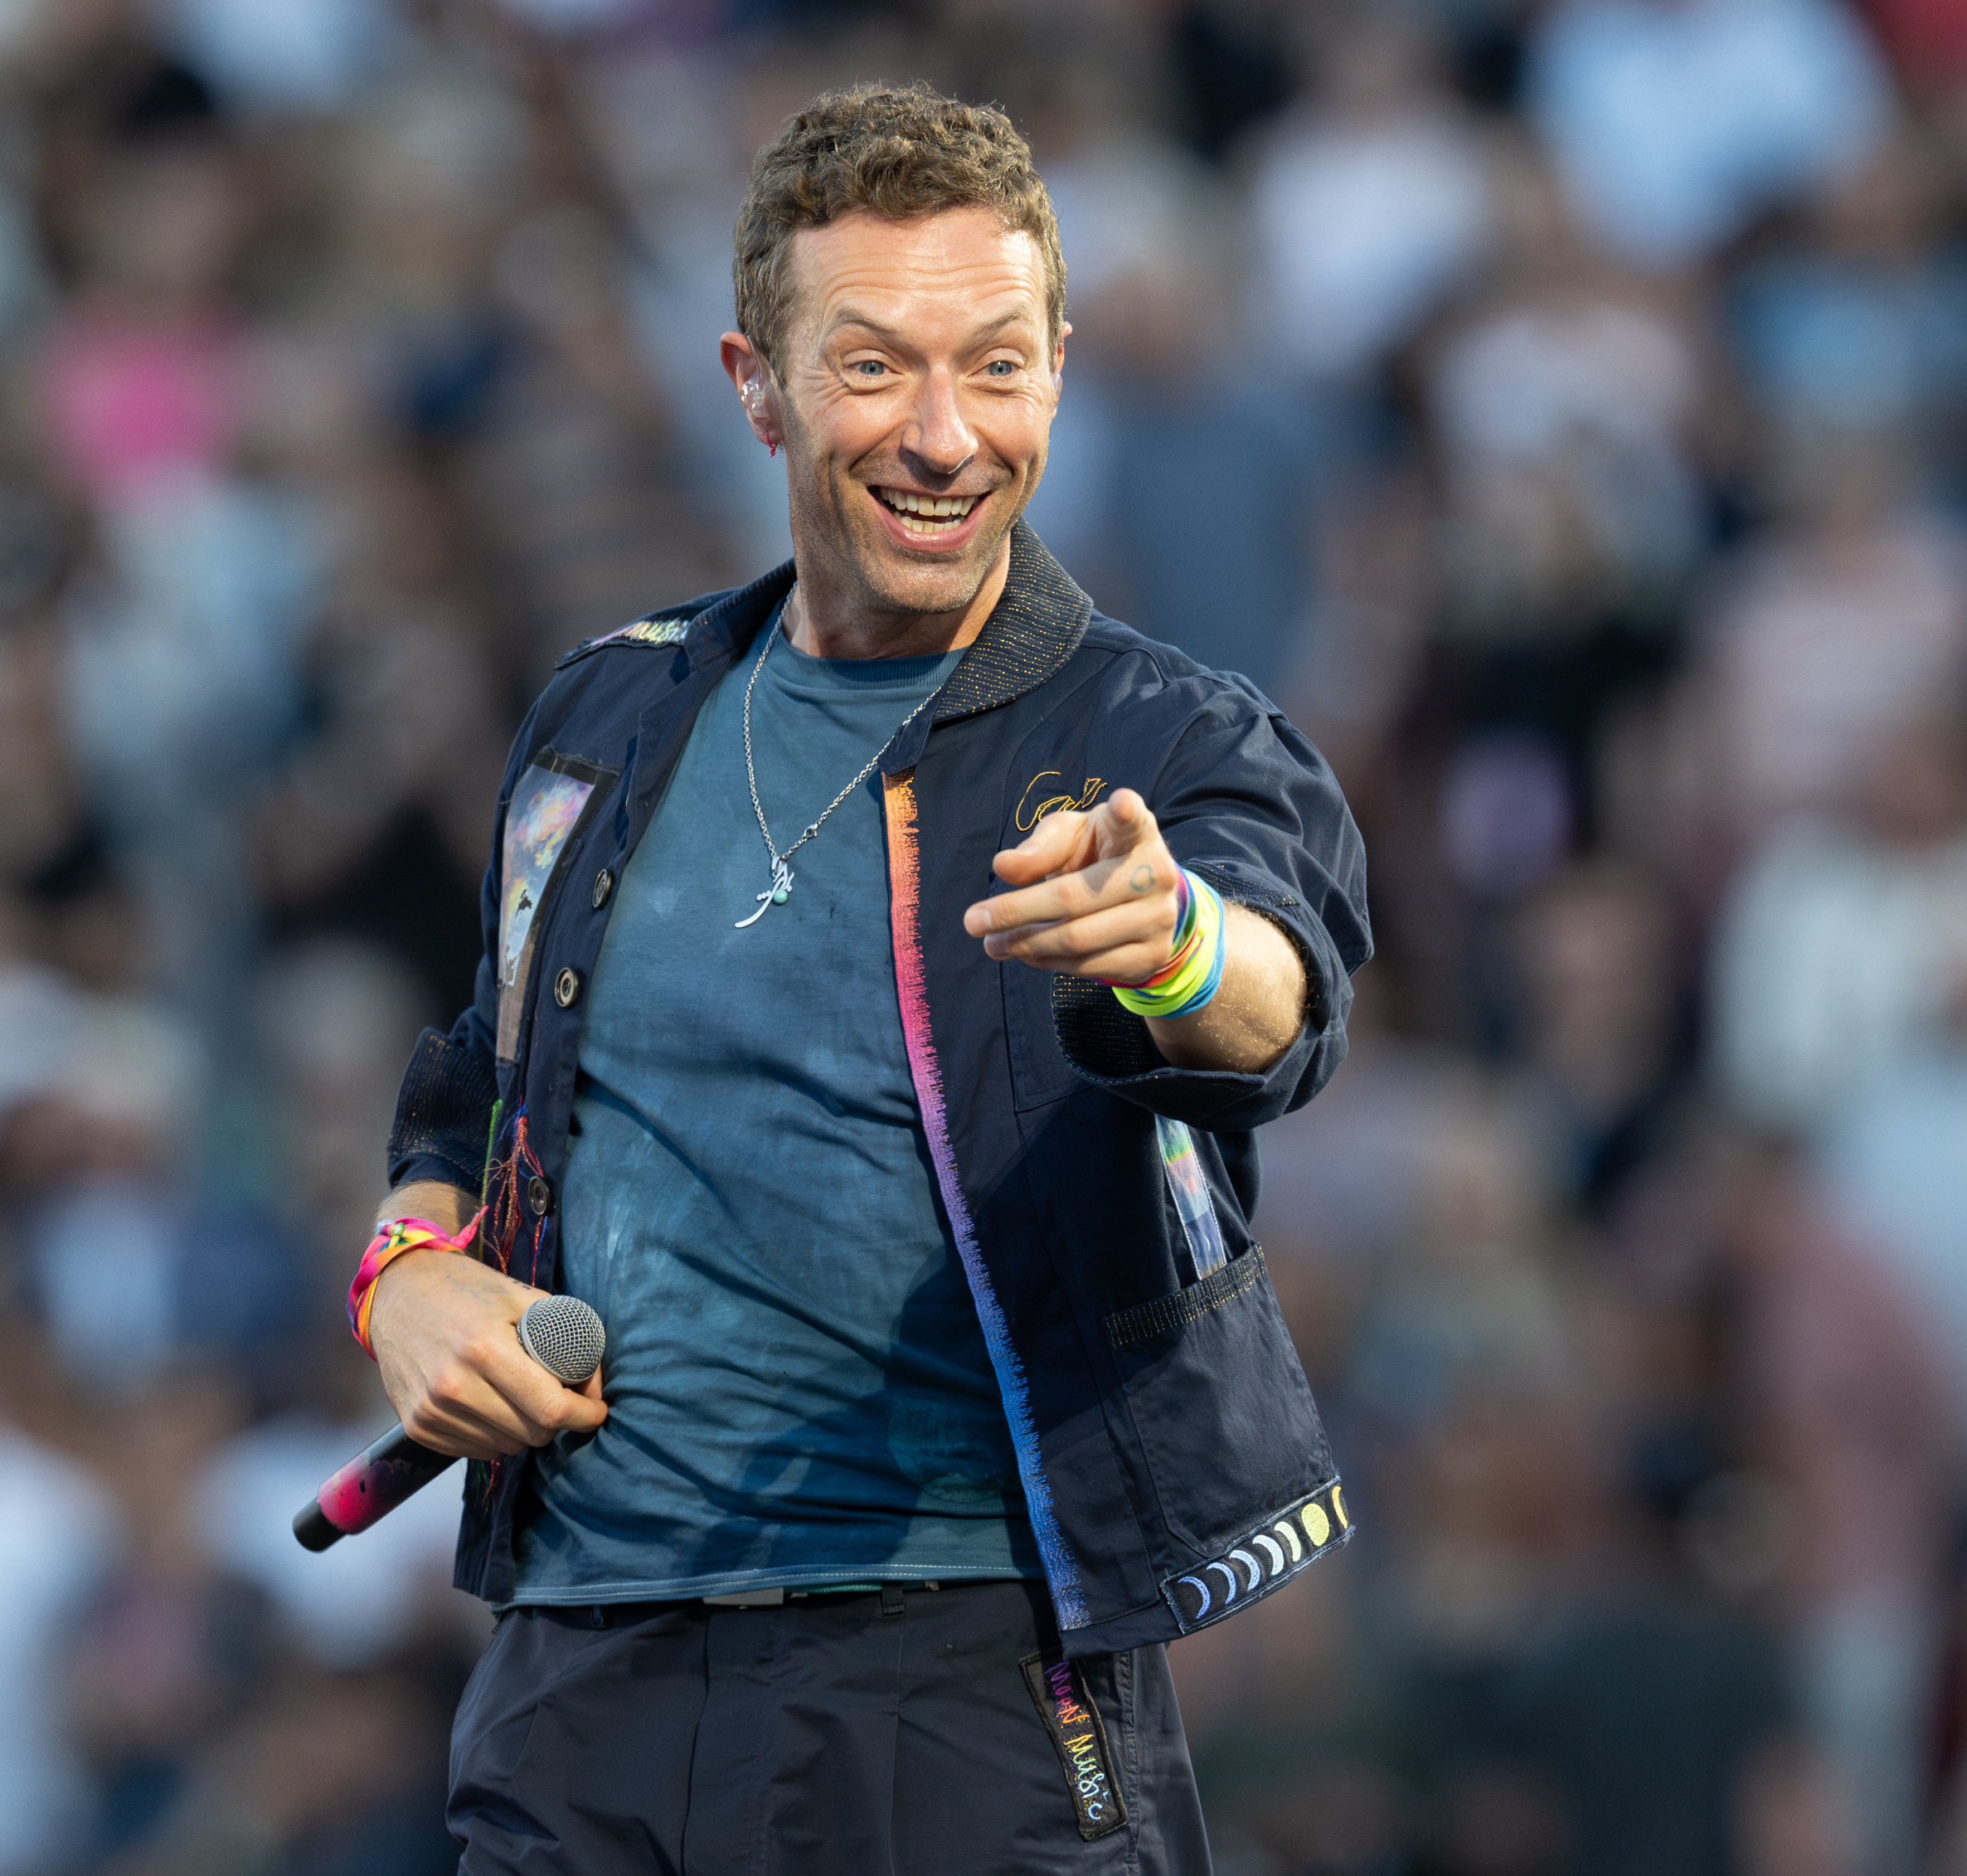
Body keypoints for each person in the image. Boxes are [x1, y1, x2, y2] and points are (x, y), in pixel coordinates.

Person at [352, 83, 1371, 1873]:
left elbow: (1280, 999)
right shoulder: (604, 713)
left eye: (996, 366)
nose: (946, 433)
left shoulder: (1164, 732)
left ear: (1060, 366)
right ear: (756, 384)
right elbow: (476, 1089)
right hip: (578, 1675)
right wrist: (410, 1280)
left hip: (963, 1671)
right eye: (876, 365)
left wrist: (1178, 946)